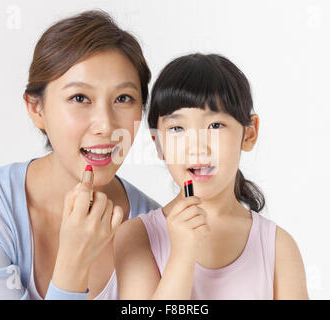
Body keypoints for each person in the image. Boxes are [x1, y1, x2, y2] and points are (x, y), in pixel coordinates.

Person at [0, 10, 159, 300]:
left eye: (123, 99)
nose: (106, 125)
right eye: (80, 98)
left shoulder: (156, 226)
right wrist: (74, 263)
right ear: (37, 109)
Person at [114, 53, 309, 299]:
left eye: (215, 126)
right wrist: (182, 257)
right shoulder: (136, 238)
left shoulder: (278, 247)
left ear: (249, 134)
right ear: (158, 144)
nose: (196, 147)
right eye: (177, 128)